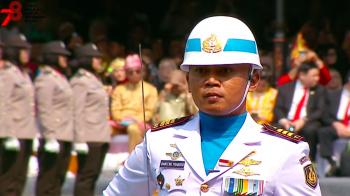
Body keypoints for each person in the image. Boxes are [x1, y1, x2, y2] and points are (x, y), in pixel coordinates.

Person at [104, 16, 321, 195]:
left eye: (225, 71)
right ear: (188, 81)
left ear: (253, 80)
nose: (211, 80)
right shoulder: (157, 143)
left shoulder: (283, 152)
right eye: (201, 71)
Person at [70, 43, 111, 196]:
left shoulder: (93, 78)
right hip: (88, 136)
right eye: (96, 58)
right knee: (85, 177)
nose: (99, 61)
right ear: (86, 59)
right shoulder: (79, 80)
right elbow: (77, 111)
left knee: (93, 176)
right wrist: (79, 139)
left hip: (99, 134)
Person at [0, 33, 37, 196]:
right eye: (23, 50)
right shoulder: (7, 74)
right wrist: (7, 134)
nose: (27, 54)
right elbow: (2, 104)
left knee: (19, 180)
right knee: (9, 180)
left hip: (25, 133)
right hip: (12, 133)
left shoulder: (23, 73)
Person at [34, 41, 73, 196]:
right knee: (47, 181)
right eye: (62, 56)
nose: (65, 59)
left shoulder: (60, 77)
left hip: (64, 134)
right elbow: (45, 109)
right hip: (53, 135)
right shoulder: (46, 78)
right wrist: (49, 137)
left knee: (58, 180)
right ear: (53, 57)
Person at [274, 62, 326, 162]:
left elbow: (320, 110)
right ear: (302, 75)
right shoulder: (285, 88)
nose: (317, 78)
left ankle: (310, 162)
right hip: (287, 121)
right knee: (274, 129)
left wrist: (303, 120)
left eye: (318, 75)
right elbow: (278, 108)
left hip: (307, 122)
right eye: (314, 75)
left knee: (311, 130)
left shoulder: (320, 90)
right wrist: (284, 121)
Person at [111, 54, 158, 153]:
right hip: (121, 122)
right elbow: (115, 109)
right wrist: (122, 119)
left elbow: (150, 111)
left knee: (133, 129)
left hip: (141, 123)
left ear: (143, 72)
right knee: (105, 128)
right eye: (130, 72)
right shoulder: (119, 89)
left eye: (137, 71)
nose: (134, 74)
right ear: (126, 73)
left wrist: (135, 120)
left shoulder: (151, 89)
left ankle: (132, 159)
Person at [318, 71, 350, 176]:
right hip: (337, 125)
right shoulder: (332, 95)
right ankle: (332, 162)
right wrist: (335, 124)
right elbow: (324, 114)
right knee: (323, 132)